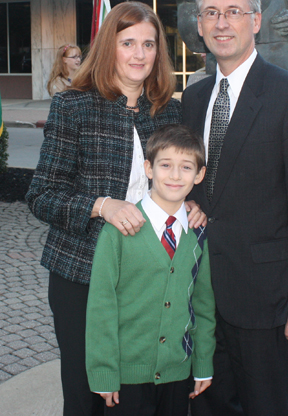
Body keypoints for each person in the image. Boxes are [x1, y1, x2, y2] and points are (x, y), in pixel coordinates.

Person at [26, 2, 205, 416]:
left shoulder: (169, 111)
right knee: (87, 394)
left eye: (148, 44)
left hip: (147, 279)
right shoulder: (74, 107)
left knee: (133, 395)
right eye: (128, 43)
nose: (139, 54)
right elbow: (41, 194)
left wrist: (189, 202)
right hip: (81, 275)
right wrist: (100, 205)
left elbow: (174, 178)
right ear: (110, 47)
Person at [182, 0, 288, 416]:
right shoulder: (194, 99)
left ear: (256, 20)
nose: (222, 23)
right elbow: (201, 181)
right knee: (208, 404)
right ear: (199, 24)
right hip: (201, 289)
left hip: (264, 297)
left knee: (265, 406)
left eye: (234, 12)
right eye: (211, 13)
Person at [86, 124, 216, 416]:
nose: (174, 175)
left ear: (199, 175)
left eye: (186, 167)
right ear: (148, 168)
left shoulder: (198, 235)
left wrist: (203, 364)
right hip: (127, 377)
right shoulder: (118, 231)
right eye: (165, 165)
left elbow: (203, 305)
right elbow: (101, 306)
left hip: (177, 374)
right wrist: (105, 371)